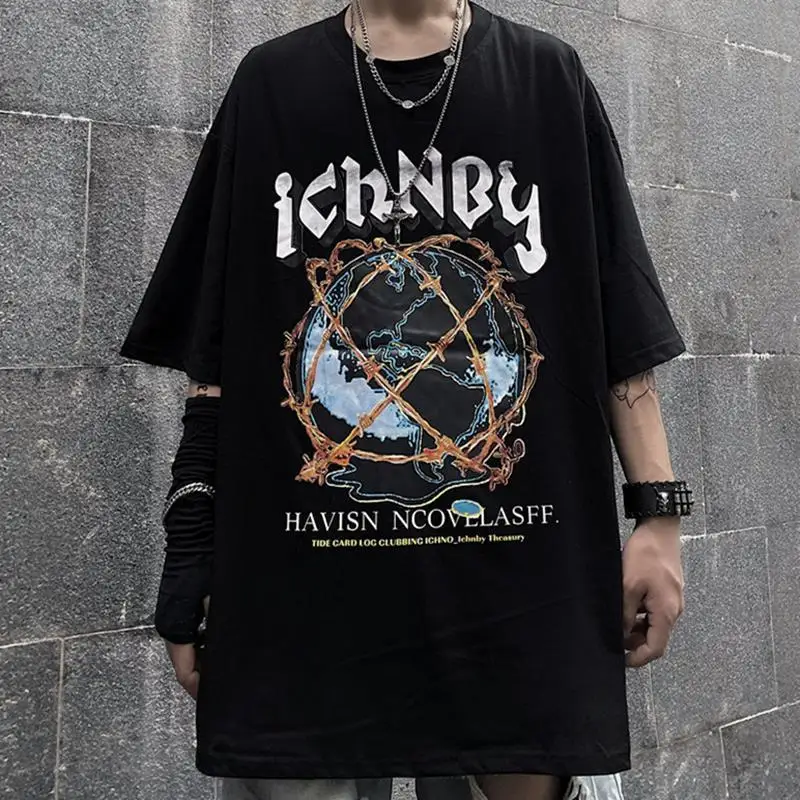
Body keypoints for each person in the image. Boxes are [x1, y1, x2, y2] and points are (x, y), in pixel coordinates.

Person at [119, 1, 693, 799]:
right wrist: (191, 542)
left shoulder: (546, 78)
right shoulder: (272, 84)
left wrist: (659, 517)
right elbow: (215, 355)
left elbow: (618, 327)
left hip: (515, 582)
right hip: (306, 588)